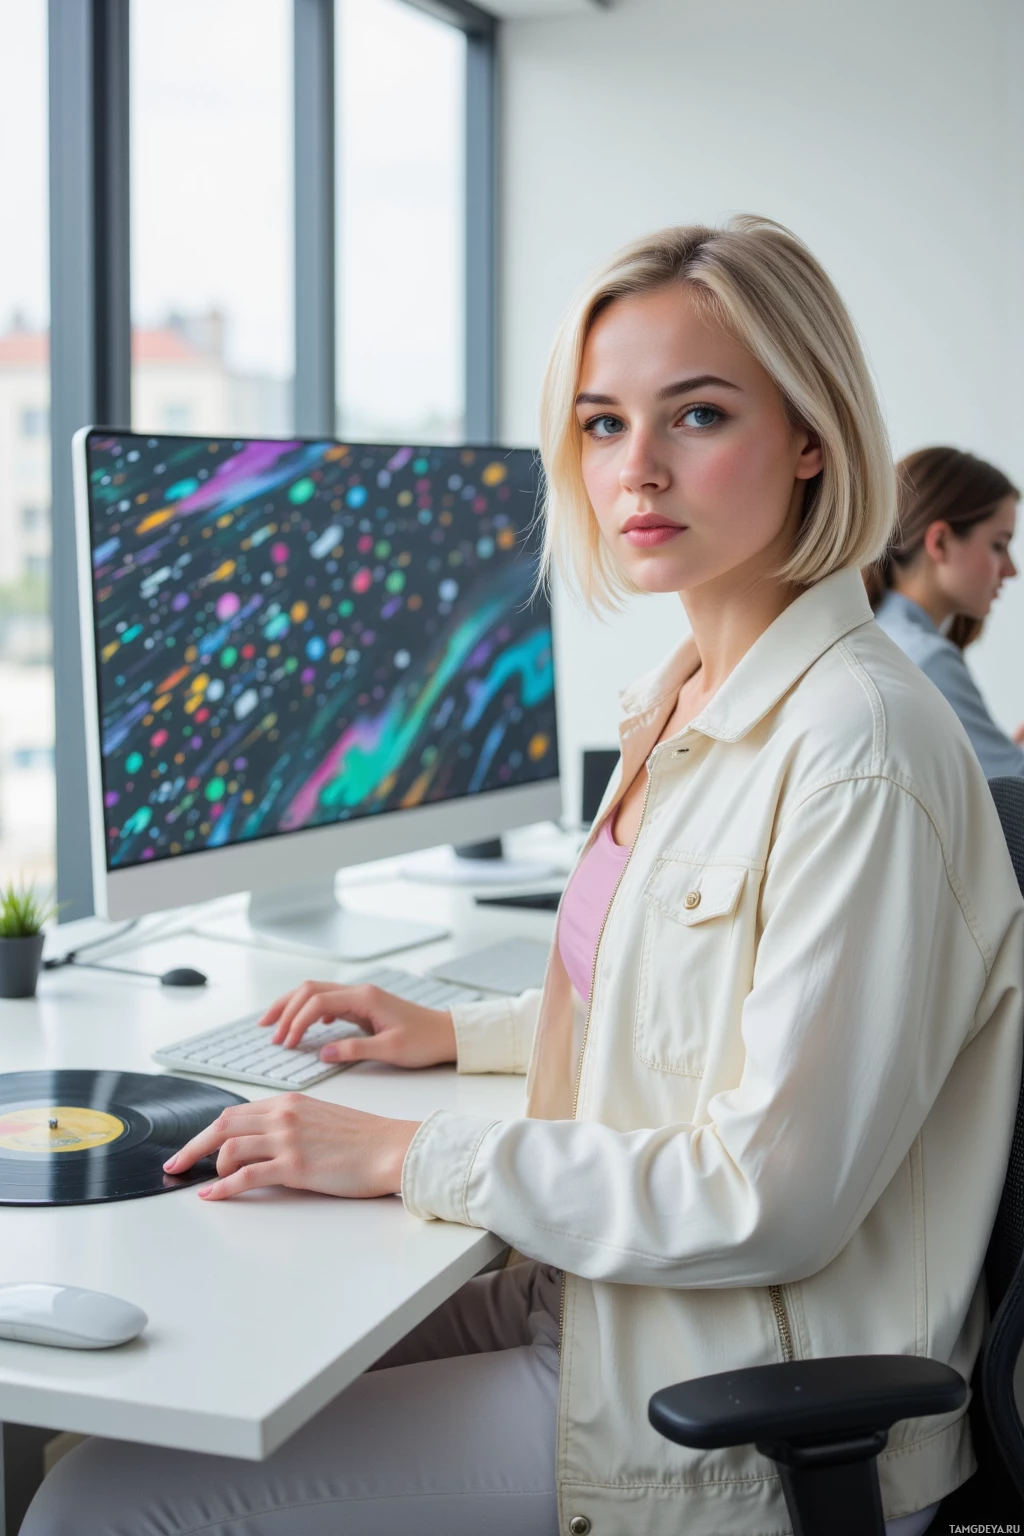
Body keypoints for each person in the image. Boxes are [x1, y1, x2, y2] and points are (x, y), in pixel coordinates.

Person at [25, 218, 1024, 1536]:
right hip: (609, 1298)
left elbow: (765, 1198)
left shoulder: (860, 748)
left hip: (722, 1382)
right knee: (126, 1403)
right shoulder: (692, 693)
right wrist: (459, 1031)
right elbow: (685, 1006)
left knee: (106, 1503)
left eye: (698, 414)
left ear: (811, 439)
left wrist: (400, 1154)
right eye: (603, 424)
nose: (639, 471)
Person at [867, 446, 1024, 776]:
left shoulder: (879, 636)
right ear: (939, 542)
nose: (1011, 570)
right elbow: (1009, 805)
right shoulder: (927, 658)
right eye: (999, 544)